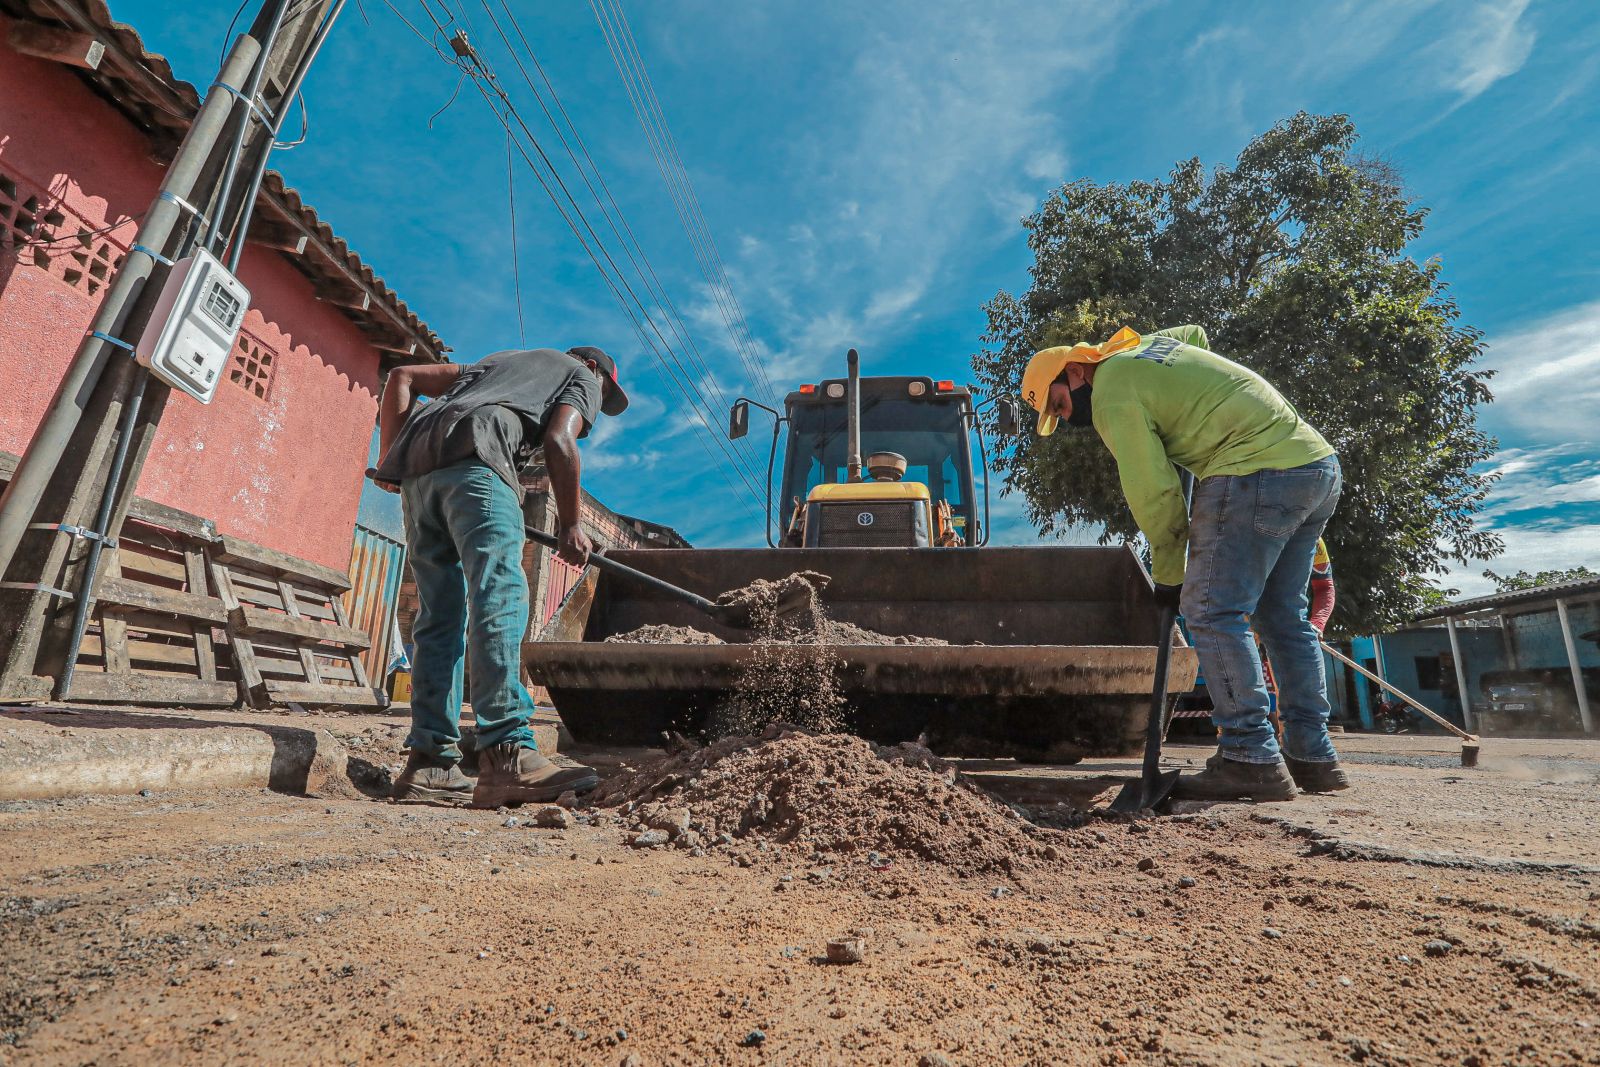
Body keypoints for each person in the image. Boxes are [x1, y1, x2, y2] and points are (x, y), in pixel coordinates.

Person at [1021, 325, 1345, 800]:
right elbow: (1195, 334)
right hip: (1315, 465)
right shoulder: (1144, 348)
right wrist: (1185, 401)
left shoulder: (1111, 394)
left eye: (1060, 405)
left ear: (1074, 372)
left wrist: (1170, 575)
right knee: (1281, 616)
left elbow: (1155, 494)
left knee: (1211, 611)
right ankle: (1314, 757)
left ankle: (1250, 756)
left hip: (1252, 469)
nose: (1068, 419)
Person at [369, 346, 629, 807]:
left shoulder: (491, 366)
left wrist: (391, 458)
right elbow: (560, 440)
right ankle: (508, 753)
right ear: (595, 370)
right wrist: (571, 525)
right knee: (500, 597)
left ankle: (429, 764)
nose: (594, 414)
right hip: (479, 463)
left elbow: (403, 376)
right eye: (604, 395)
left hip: (419, 476)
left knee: (438, 616)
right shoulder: (580, 374)